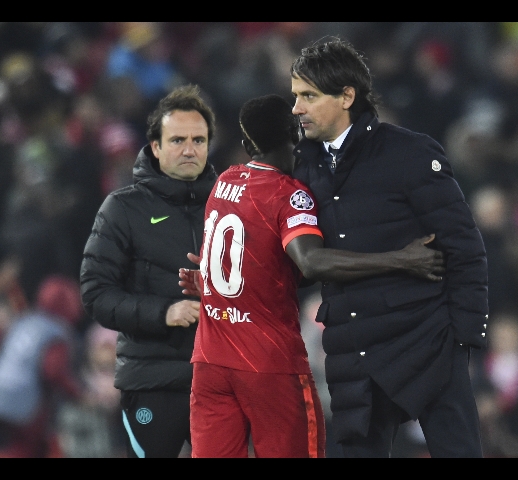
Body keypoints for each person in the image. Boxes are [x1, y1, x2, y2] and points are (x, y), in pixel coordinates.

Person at [179, 94, 446, 458]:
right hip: (268, 364)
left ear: (246, 143)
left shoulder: (224, 181)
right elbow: (312, 263)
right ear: (296, 134)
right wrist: (402, 260)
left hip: (210, 361)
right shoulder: (289, 195)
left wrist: (213, 284)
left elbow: (255, 262)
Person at [289, 37, 489, 458]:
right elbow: (301, 261)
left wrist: (464, 339)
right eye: (296, 96)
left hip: (425, 342)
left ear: (346, 96)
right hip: (352, 351)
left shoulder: (409, 152)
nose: (296, 108)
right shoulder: (303, 166)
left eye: (308, 96)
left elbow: (464, 247)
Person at [79, 84, 218, 458]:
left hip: (222, 379)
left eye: (198, 140)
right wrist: (164, 313)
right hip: (153, 383)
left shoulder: (231, 206)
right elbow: (95, 293)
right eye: (177, 140)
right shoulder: (122, 209)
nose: (189, 150)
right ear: (155, 147)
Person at [0, 275, 84, 458]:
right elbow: (53, 372)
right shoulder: (57, 331)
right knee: (28, 449)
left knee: (22, 446)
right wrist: (78, 394)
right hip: (25, 403)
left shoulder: (24, 320)